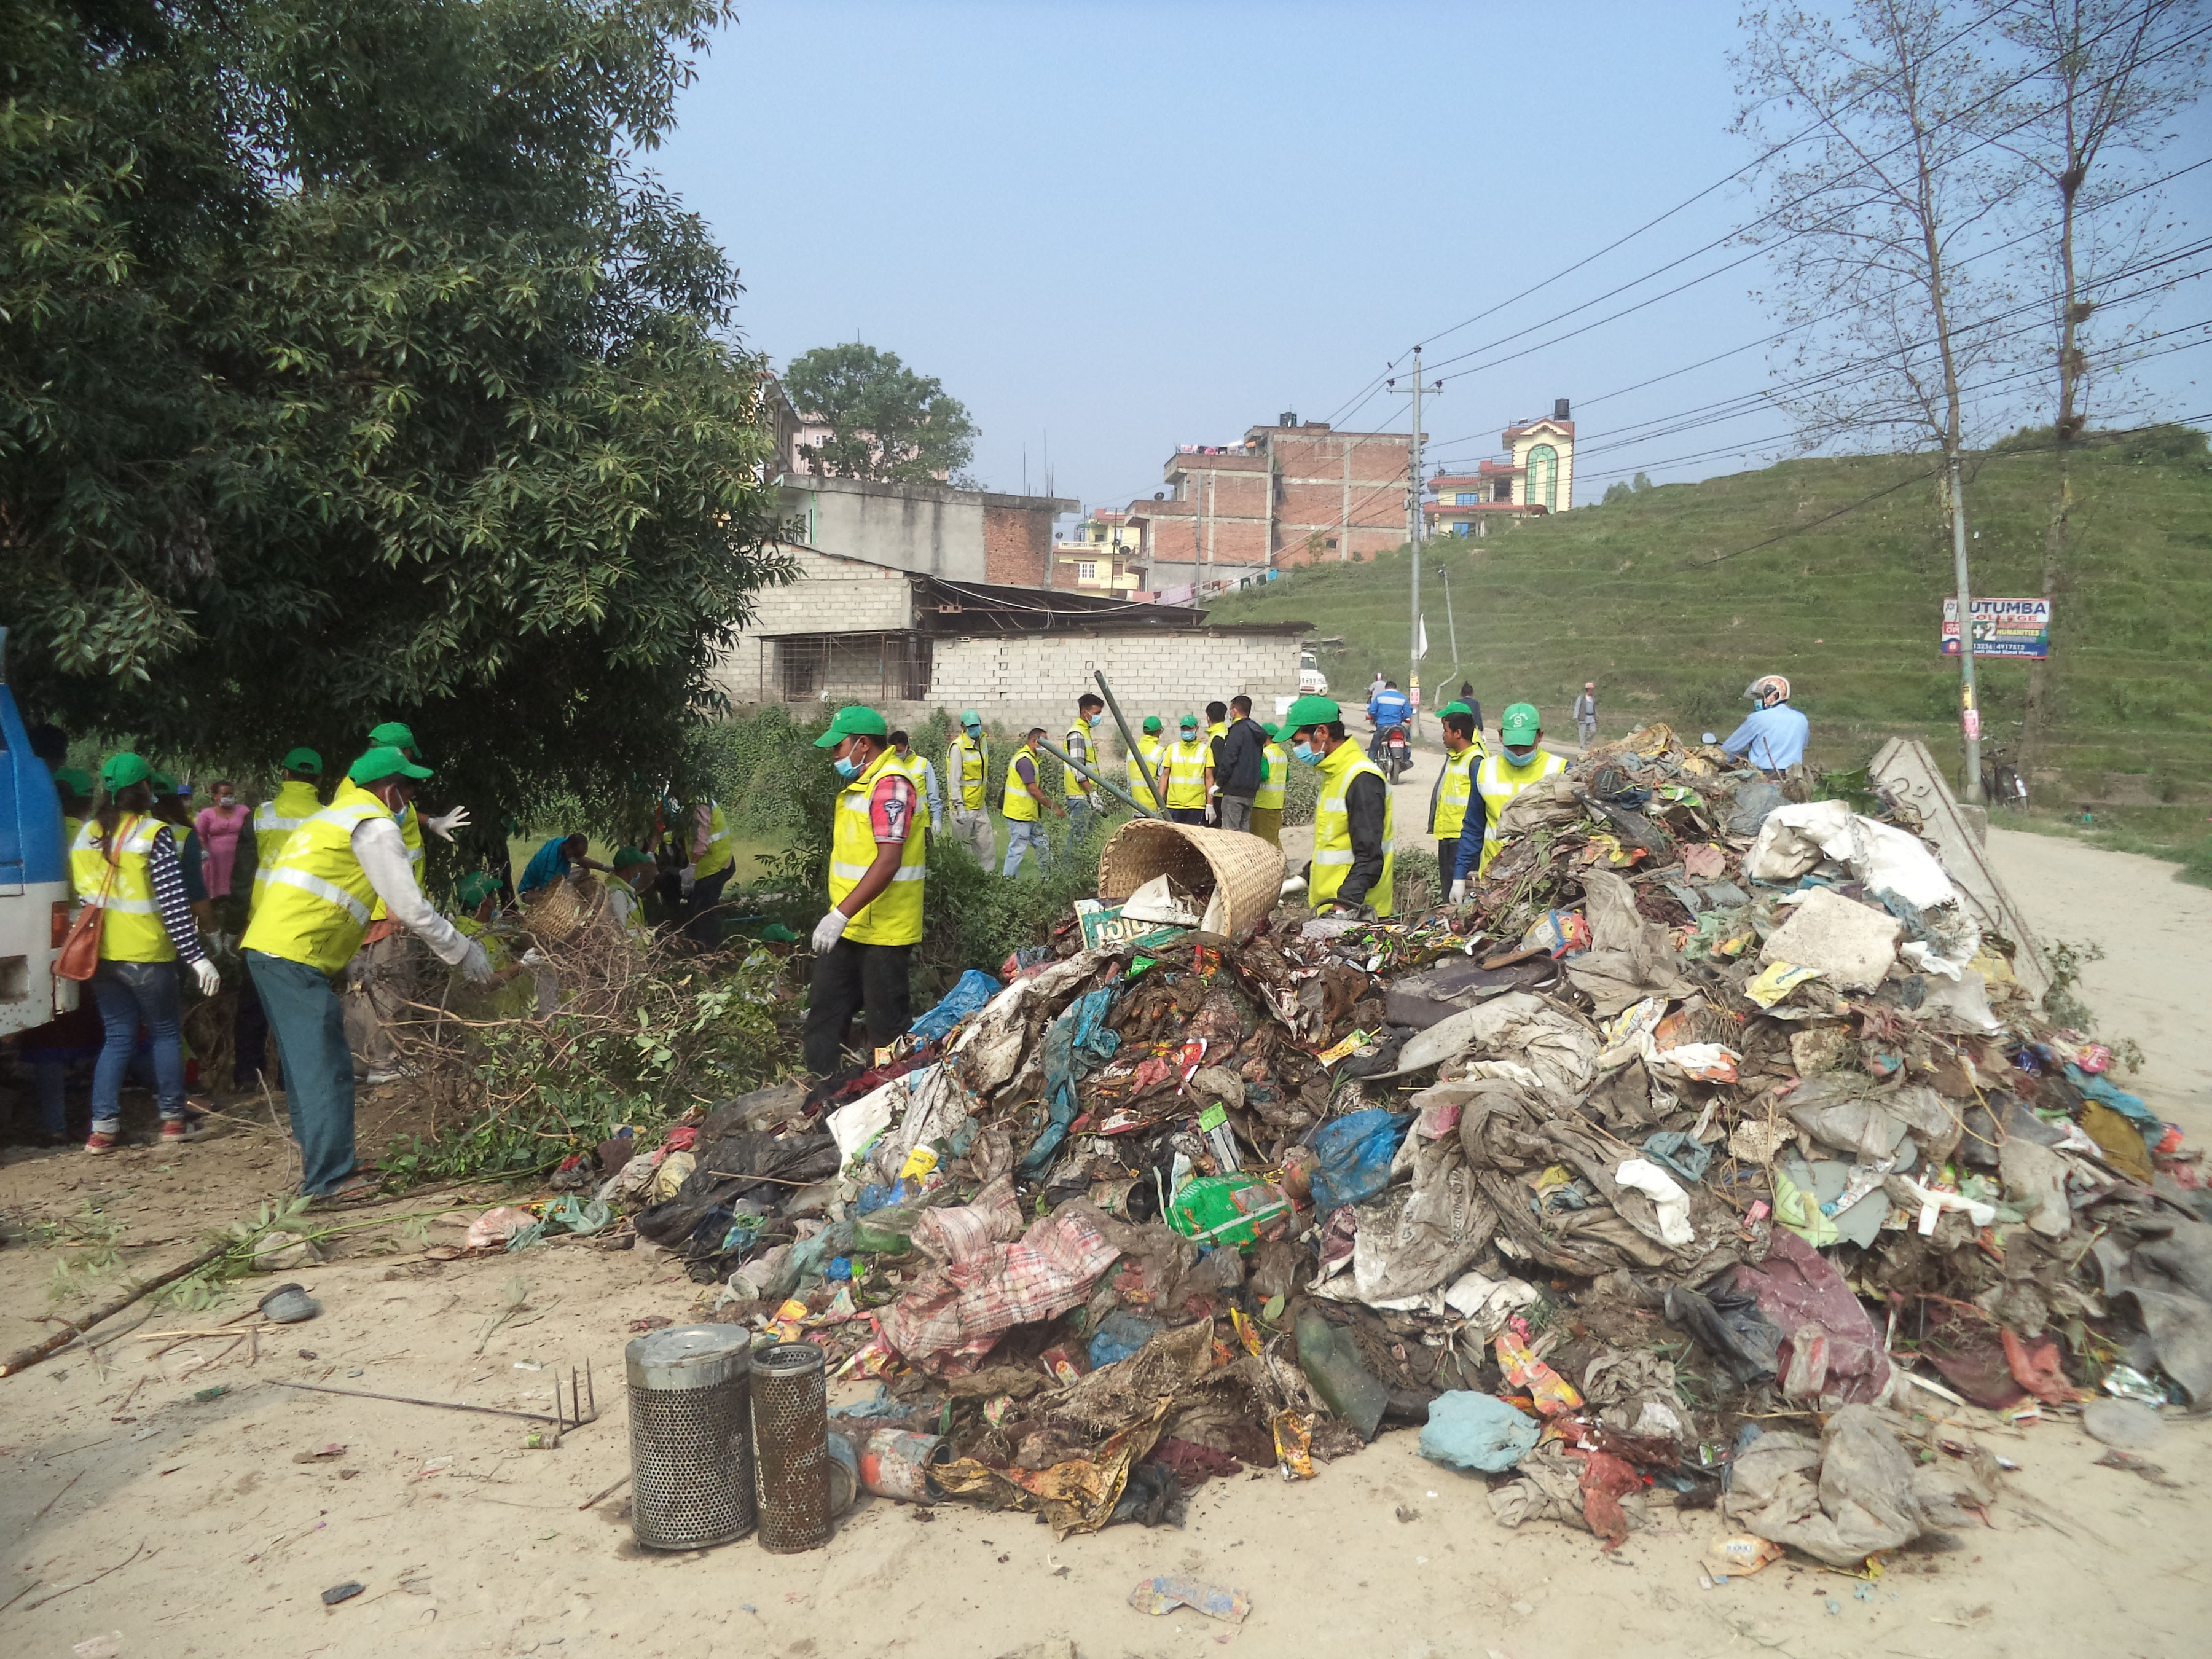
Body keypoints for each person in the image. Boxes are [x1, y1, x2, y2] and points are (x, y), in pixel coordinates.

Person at [241, 745, 491, 1201]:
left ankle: (330, 1164)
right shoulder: (374, 826)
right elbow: (411, 908)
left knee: (310, 1067)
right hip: (292, 955)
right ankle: (329, 1180)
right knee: (325, 1066)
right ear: (392, 791)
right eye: (410, 790)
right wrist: (465, 951)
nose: (412, 801)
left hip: (276, 950)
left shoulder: (334, 816)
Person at [71, 751, 224, 1153]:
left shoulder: (87, 833)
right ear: (144, 789)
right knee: (165, 1035)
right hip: (148, 955)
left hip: (103, 957)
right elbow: (174, 904)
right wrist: (196, 956)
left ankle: (102, 1130)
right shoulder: (153, 833)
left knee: (117, 1038)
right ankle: (173, 1121)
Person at [803, 705, 924, 1075]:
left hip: (884, 932)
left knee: (886, 1031)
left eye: (838, 749)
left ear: (863, 745)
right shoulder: (862, 785)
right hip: (851, 926)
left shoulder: (891, 785)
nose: (834, 758)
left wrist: (839, 914)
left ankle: (889, 1108)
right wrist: (841, 917)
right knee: (824, 1015)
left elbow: (889, 860)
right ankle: (820, 1095)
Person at [1283, 696, 1392, 916]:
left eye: (1298, 741)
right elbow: (1335, 844)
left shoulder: (1361, 777)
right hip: (1332, 907)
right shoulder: (1334, 774)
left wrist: (1344, 905)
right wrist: (1304, 877)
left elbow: (1369, 854)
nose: (1296, 749)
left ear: (1322, 733)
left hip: (1358, 913)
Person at [1475, 703, 1567, 877]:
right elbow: (1473, 827)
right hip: (1492, 873)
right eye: (1513, 745)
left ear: (1540, 736)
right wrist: (1459, 876)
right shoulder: (1483, 769)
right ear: (1501, 736)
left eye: (1525, 746)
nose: (1519, 752)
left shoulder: (1560, 769)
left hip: (1540, 875)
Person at [1429, 702, 1488, 901]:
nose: (1443, 735)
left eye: (1445, 730)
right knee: (1448, 895)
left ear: (1458, 733)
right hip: (1447, 837)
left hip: (1462, 840)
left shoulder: (1475, 761)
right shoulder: (1454, 758)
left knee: (1463, 898)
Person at [1000, 727, 1064, 876]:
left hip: (1028, 814)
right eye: (1045, 742)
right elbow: (1033, 790)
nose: (1047, 745)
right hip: (1020, 814)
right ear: (1036, 742)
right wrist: (1054, 807)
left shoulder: (1029, 758)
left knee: (1043, 845)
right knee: (1018, 850)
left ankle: (1049, 878)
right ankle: (1007, 882)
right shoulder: (1025, 761)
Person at [1722, 674, 1809, 774]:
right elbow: (1803, 745)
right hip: (1795, 775)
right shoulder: (1801, 718)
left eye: (1760, 697)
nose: (1757, 701)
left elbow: (1730, 749)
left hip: (1764, 775)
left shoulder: (1757, 718)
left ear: (1773, 696)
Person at [944, 711, 995, 867]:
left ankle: (988, 882)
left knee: (987, 849)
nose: (975, 729)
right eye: (971, 727)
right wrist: (959, 807)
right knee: (963, 852)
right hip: (963, 808)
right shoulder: (958, 748)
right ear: (963, 727)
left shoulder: (983, 742)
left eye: (976, 725)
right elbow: (954, 780)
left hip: (980, 806)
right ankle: (963, 887)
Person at [1214, 694, 1269, 833]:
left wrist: (1219, 783)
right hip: (1250, 791)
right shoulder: (1256, 731)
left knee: (1230, 833)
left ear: (1234, 711)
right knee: (1244, 834)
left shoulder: (1238, 731)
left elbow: (1229, 759)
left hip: (1234, 790)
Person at [1061, 695, 1105, 850]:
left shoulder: (1085, 732)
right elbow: (1079, 769)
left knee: (1086, 841)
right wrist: (1092, 793)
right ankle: (1068, 872)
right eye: (1096, 713)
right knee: (1077, 840)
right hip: (1080, 796)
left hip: (1085, 796)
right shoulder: (1077, 734)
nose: (1099, 717)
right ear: (1085, 712)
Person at [194, 781, 249, 900]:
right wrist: (204, 851)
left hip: (240, 858)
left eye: (231, 794)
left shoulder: (243, 811)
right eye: (225, 794)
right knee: (218, 892)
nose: (229, 797)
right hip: (216, 860)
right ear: (215, 797)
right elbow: (199, 835)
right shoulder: (207, 814)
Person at [888, 732, 940, 848]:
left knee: (928, 861)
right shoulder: (888, 766)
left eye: (900, 751)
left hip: (921, 823)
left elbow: (933, 795)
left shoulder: (923, 764)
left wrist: (937, 818)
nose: (897, 754)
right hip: (896, 825)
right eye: (894, 752)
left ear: (908, 748)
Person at [517, 832, 611, 896]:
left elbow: (581, 861)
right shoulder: (551, 863)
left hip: (557, 878)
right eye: (576, 856)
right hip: (532, 890)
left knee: (584, 871)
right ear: (569, 849)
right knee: (554, 899)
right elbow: (548, 892)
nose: (577, 859)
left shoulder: (563, 843)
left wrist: (605, 868)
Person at [1161, 714, 1212, 826]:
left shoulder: (1205, 750)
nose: (1186, 731)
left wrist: (1210, 804)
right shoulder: (1172, 749)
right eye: (1184, 729)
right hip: (1174, 804)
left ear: (1197, 729)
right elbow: (1165, 775)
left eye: (1190, 728)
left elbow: (1209, 778)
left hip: (1196, 804)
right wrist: (1160, 801)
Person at [1250, 721, 1287, 847]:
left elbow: (1263, 775)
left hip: (1262, 803)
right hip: (1277, 803)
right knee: (1273, 836)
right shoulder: (1283, 755)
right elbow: (1286, 777)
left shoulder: (1264, 754)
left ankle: (1276, 863)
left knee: (1262, 840)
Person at [1126, 715, 1165, 812]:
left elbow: (1128, 779)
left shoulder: (1131, 750)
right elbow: (1163, 780)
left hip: (1135, 805)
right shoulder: (1160, 752)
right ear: (1158, 732)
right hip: (1153, 808)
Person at [1202, 700, 1230, 825]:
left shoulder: (1217, 738)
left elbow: (1216, 766)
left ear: (1208, 718)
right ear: (1224, 718)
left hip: (1215, 792)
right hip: (1220, 791)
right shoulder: (1224, 734)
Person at [1368, 678, 1411, 758]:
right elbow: (1407, 713)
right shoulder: (1402, 698)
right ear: (1396, 688)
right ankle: (1406, 757)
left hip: (1383, 726)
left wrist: (1377, 717)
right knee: (1407, 737)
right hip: (1397, 726)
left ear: (1386, 688)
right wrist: (1401, 718)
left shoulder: (1380, 697)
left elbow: (1372, 710)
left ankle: (1370, 764)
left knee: (1374, 747)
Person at [1573, 682, 1599, 751]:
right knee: (1583, 733)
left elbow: (1594, 708)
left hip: (1591, 718)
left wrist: (1596, 716)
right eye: (1592, 689)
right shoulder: (1581, 698)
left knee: (1593, 731)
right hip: (1583, 717)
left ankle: (1587, 742)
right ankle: (1583, 746)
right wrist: (1576, 716)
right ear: (1588, 690)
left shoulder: (1592, 698)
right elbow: (1577, 707)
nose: (1593, 691)